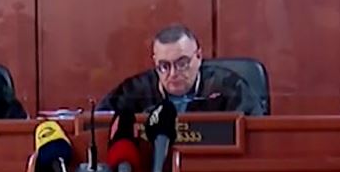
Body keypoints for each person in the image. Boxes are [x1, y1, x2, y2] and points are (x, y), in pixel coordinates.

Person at [101, 24, 256, 115]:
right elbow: (99, 124)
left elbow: (256, 132)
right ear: (155, 62)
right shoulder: (134, 90)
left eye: (182, 64)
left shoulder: (229, 87)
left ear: (198, 57)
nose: (173, 74)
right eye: (164, 66)